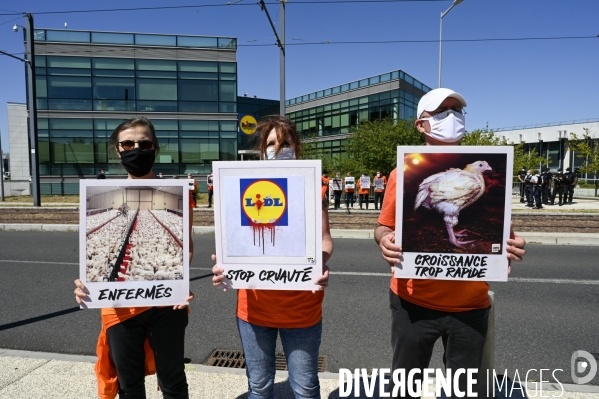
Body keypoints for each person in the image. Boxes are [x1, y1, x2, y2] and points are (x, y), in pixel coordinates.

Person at [375, 88, 526, 398]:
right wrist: (385, 241)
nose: (452, 117)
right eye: (441, 112)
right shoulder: (398, 173)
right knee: (404, 387)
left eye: (457, 110)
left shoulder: (488, 167)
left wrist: (512, 245)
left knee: (464, 391)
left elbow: (507, 233)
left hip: (470, 303)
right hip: (412, 302)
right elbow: (383, 227)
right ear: (420, 124)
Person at [211, 115, 333, 399]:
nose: (278, 149)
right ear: (261, 149)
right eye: (271, 143)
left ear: (296, 147)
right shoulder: (239, 183)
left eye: (286, 143)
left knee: (305, 388)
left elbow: (325, 238)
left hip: (302, 307)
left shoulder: (314, 187)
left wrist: (321, 261)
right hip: (254, 311)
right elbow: (233, 240)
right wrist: (224, 265)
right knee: (259, 387)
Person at [74, 117, 194, 399]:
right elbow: (93, 251)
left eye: (144, 143)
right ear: (118, 150)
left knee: (173, 380)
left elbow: (186, 246)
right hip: (119, 308)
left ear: (155, 148)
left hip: (167, 303)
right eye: (128, 143)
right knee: (129, 384)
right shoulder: (101, 195)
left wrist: (179, 276)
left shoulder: (179, 194)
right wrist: (86, 282)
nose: (136, 148)